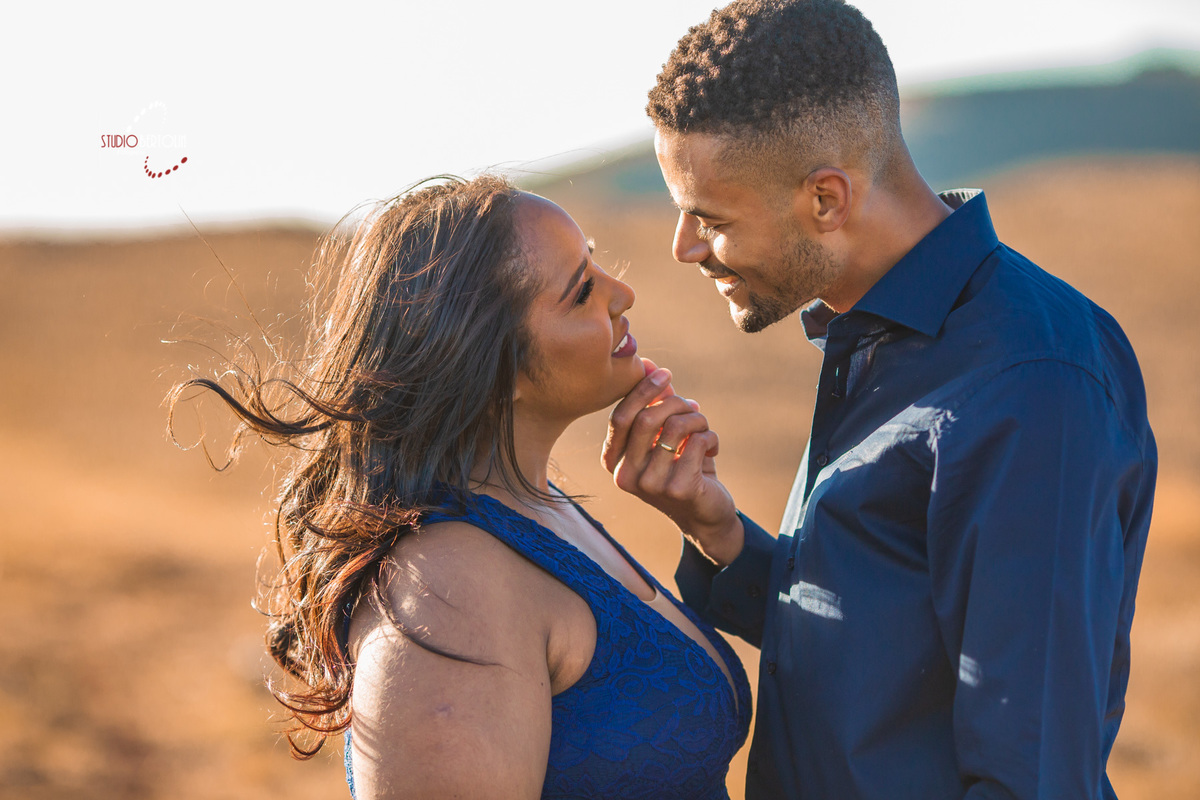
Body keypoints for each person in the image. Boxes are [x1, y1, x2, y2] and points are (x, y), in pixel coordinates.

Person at [602, 1, 1158, 798]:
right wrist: (721, 537)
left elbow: (1029, 773)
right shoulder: (871, 338)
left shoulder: (1033, 381)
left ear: (826, 199)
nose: (684, 248)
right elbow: (891, 657)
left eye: (709, 219)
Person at [170, 175, 751, 799]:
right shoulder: (446, 590)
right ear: (490, 363)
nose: (622, 293)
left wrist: (711, 530)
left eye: (594, 260)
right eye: (581, 291)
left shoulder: (539, 515)